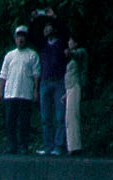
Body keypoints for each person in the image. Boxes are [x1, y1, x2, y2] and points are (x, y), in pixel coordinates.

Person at [0, 27, 40, 155]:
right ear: (15, 38)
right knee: (10, 121)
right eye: (18, 36)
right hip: (10, 93)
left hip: (25, 94)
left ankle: (23, 146)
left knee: (24, 122)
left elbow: (36, 75)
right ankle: (12, 145)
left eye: (22, 36)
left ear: (26, 38)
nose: (20, 39)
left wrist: (35, 90)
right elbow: (3, 74)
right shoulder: (9, 55)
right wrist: (0, 91)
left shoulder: (32, 55)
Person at [36, 22, 69, 154]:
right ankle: (48, 146)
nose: (46, 30)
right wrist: (35, 19)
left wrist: (55, 18)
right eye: (45, 28)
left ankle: (59, 146)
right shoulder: (42, 46)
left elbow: (66, 31)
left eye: (49, 27)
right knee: (46, 116)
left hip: (58, 81)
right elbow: (33, 34)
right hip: (45, 81)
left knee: (60, 115)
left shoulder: (61, 43)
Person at [63, 36, 87, 155]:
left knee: (73, 117)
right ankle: (71, 146)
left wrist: (70, 52)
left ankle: (75, 146)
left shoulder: (81, 52)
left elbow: (76, 54)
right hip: (69, 88)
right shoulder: (72, 59)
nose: (68, 42)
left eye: (71, 41)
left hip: (75, 86)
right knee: (69, 117)